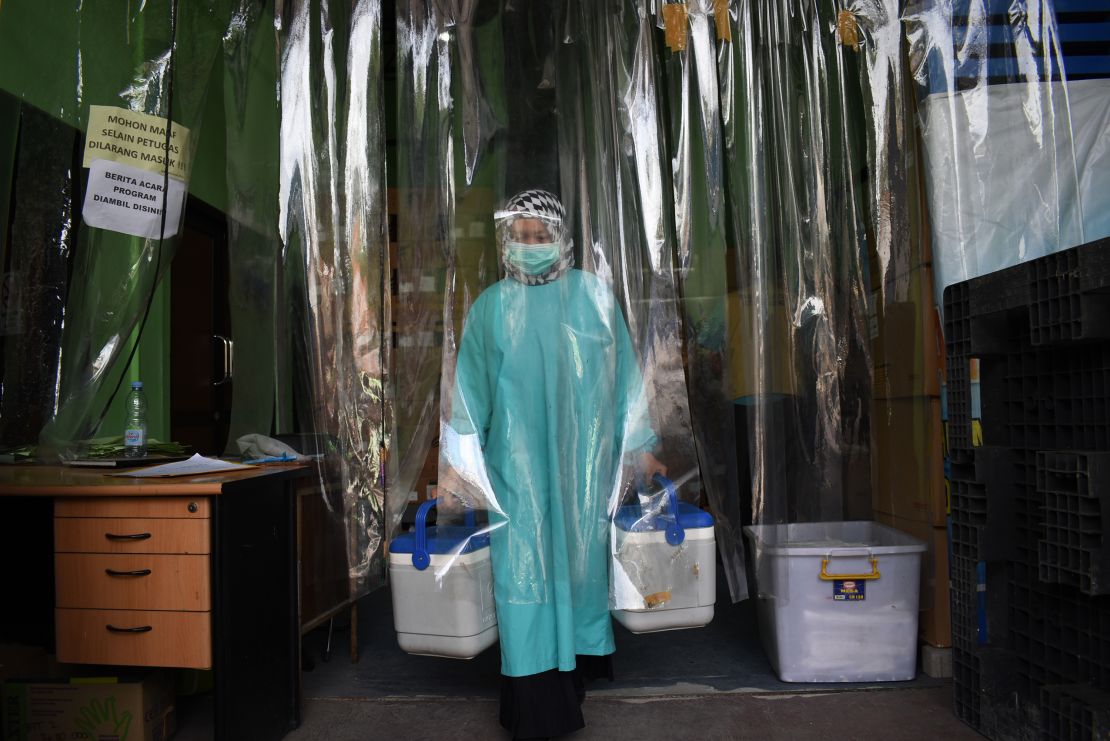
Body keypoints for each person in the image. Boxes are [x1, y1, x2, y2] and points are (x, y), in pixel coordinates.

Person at [441, 189, 666, 739]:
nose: (529, 245)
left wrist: (641, 445)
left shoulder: (592, 296)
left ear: (561, 240)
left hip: (581, 476)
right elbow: (470, 396)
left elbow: (623, 381)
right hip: (515, 477)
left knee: (578, 569)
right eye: (519, 236)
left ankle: (580, 671)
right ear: (505, 242)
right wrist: (455, 469)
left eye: (540, 236)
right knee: (524, 577)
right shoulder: (490, 308)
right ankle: (534, 701)